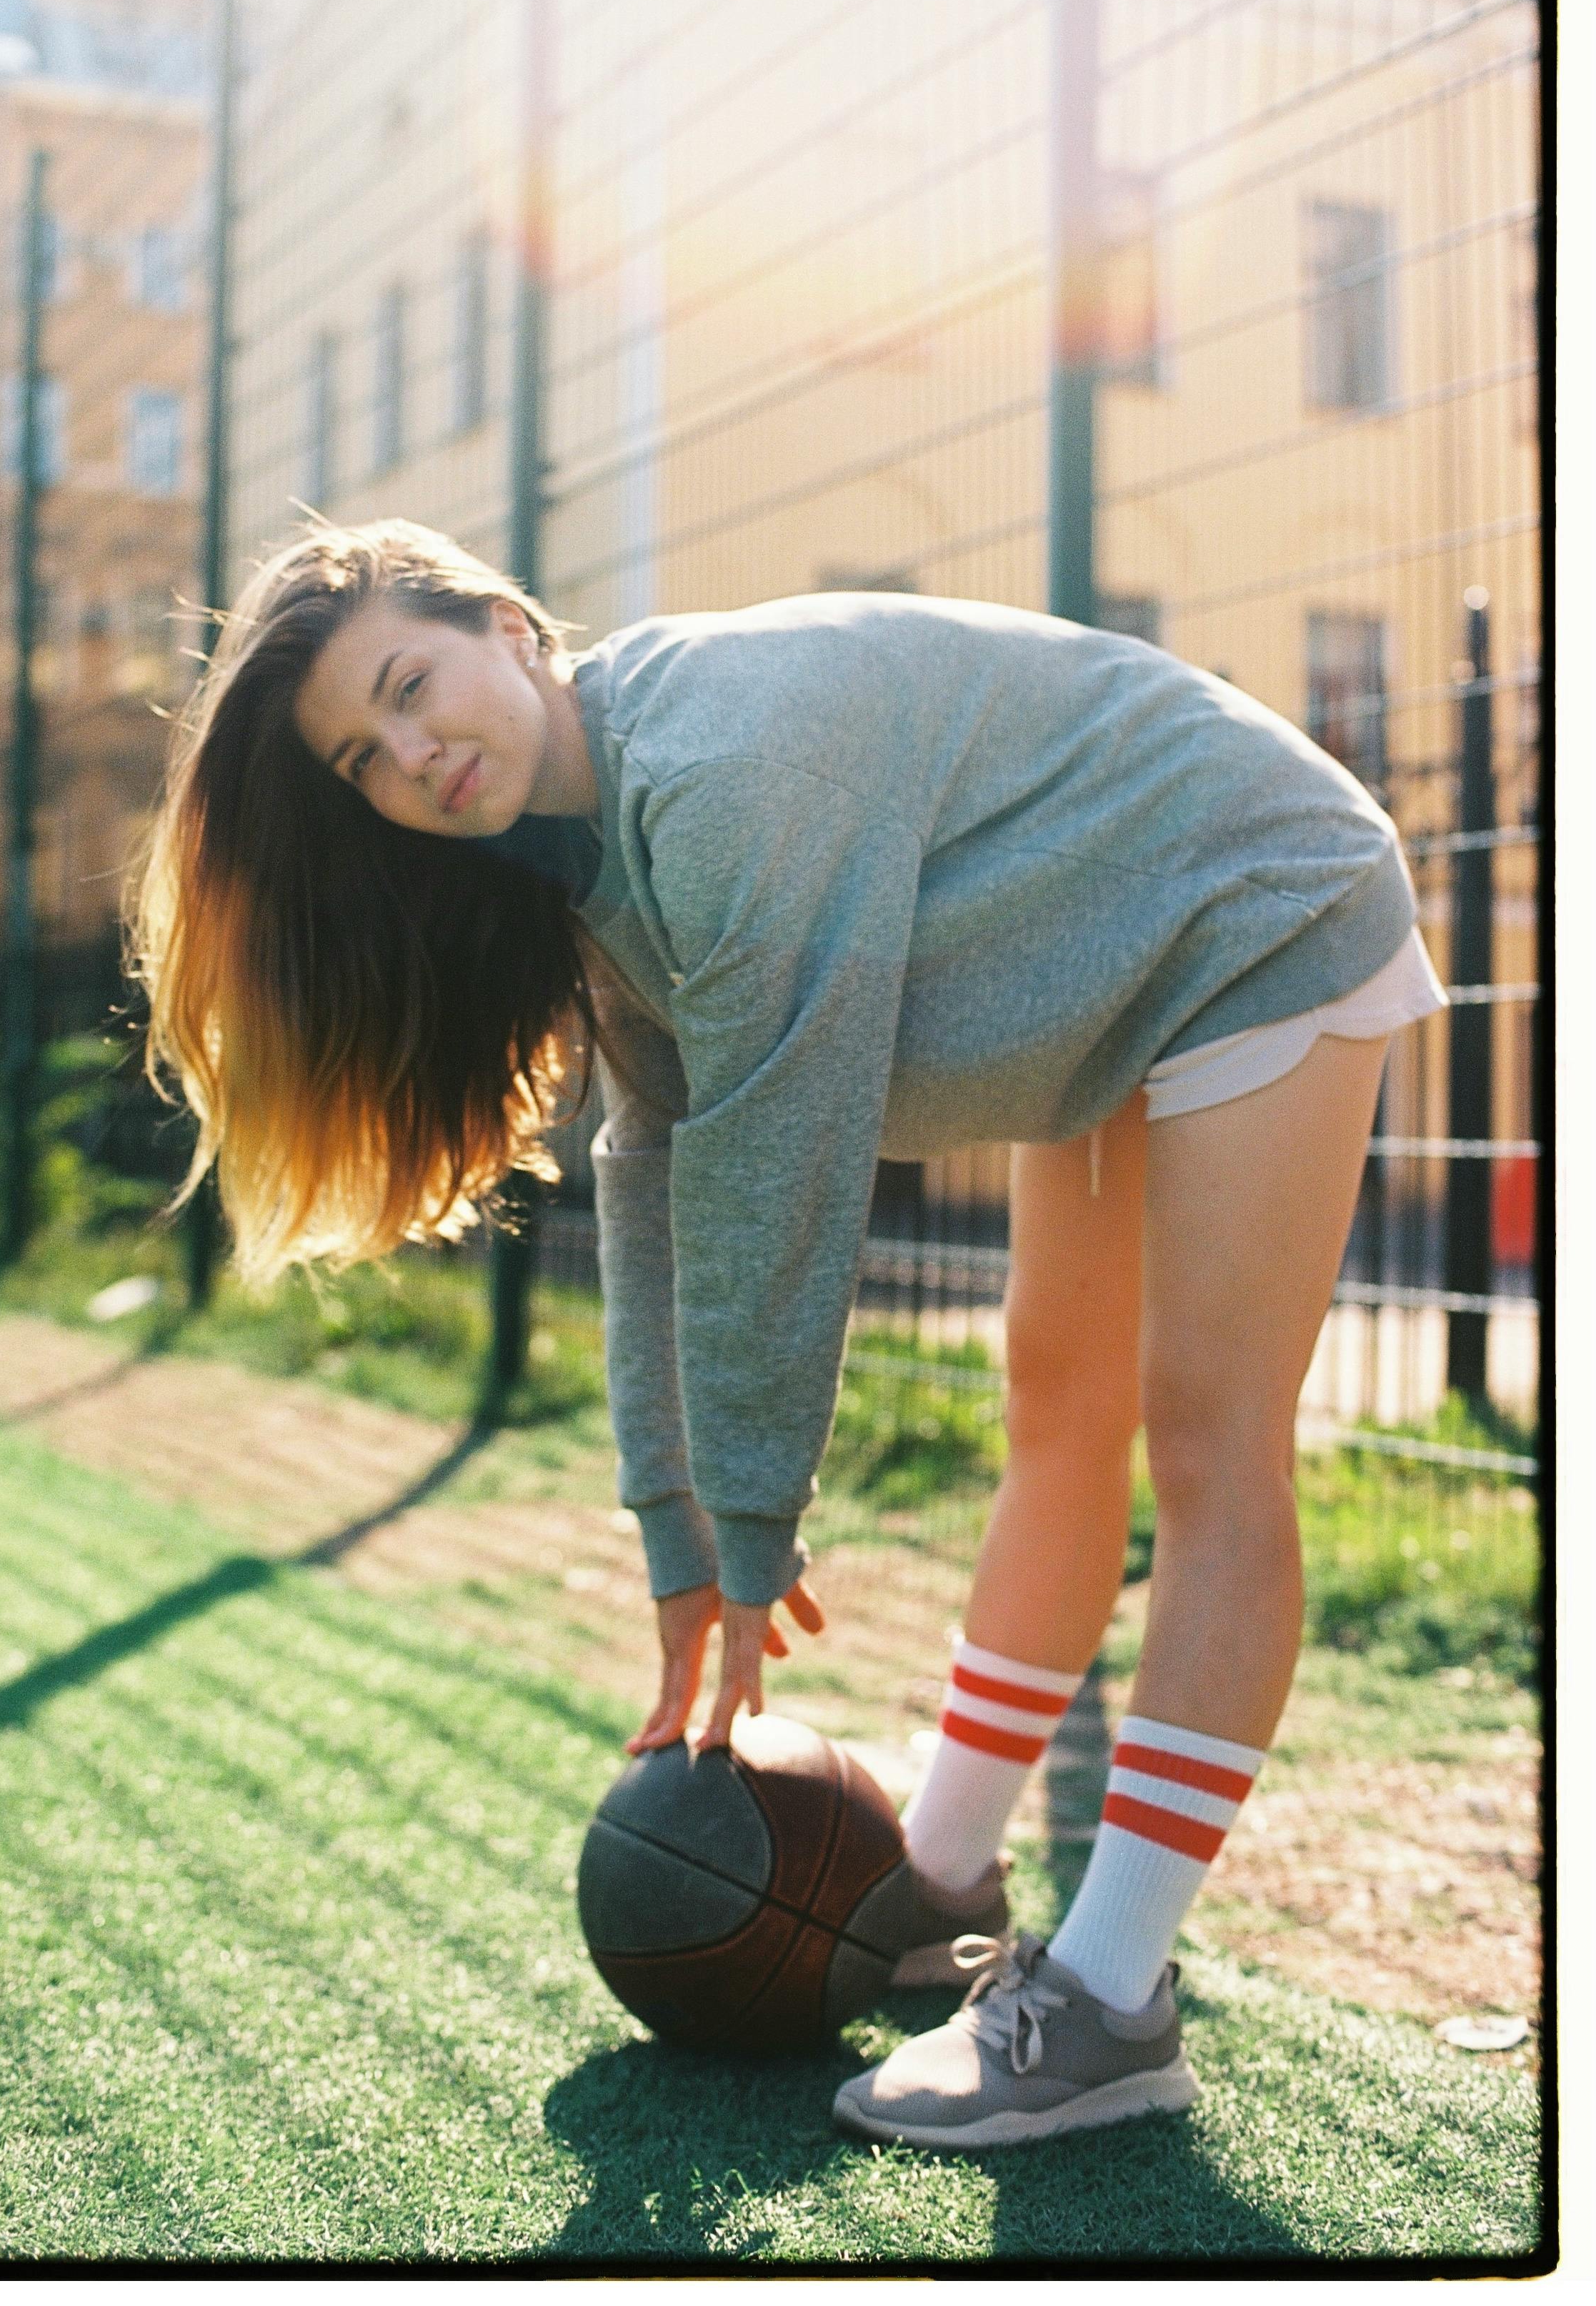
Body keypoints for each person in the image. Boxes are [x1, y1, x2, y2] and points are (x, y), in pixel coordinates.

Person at [130, 517, 1446, 2151]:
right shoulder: (594, 853)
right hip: (1101, 963)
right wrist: (675, 1532)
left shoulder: (719, 759)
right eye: (364, 757)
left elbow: (776, 1167)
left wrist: (752, 1529)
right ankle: (941, 1872)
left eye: (411, 686)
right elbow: (653, 1168)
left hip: (1252, 895)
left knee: (1206, 1435)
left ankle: (1107, 2002)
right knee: (1054, 1406)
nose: (413, 754)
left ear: (505, 626)